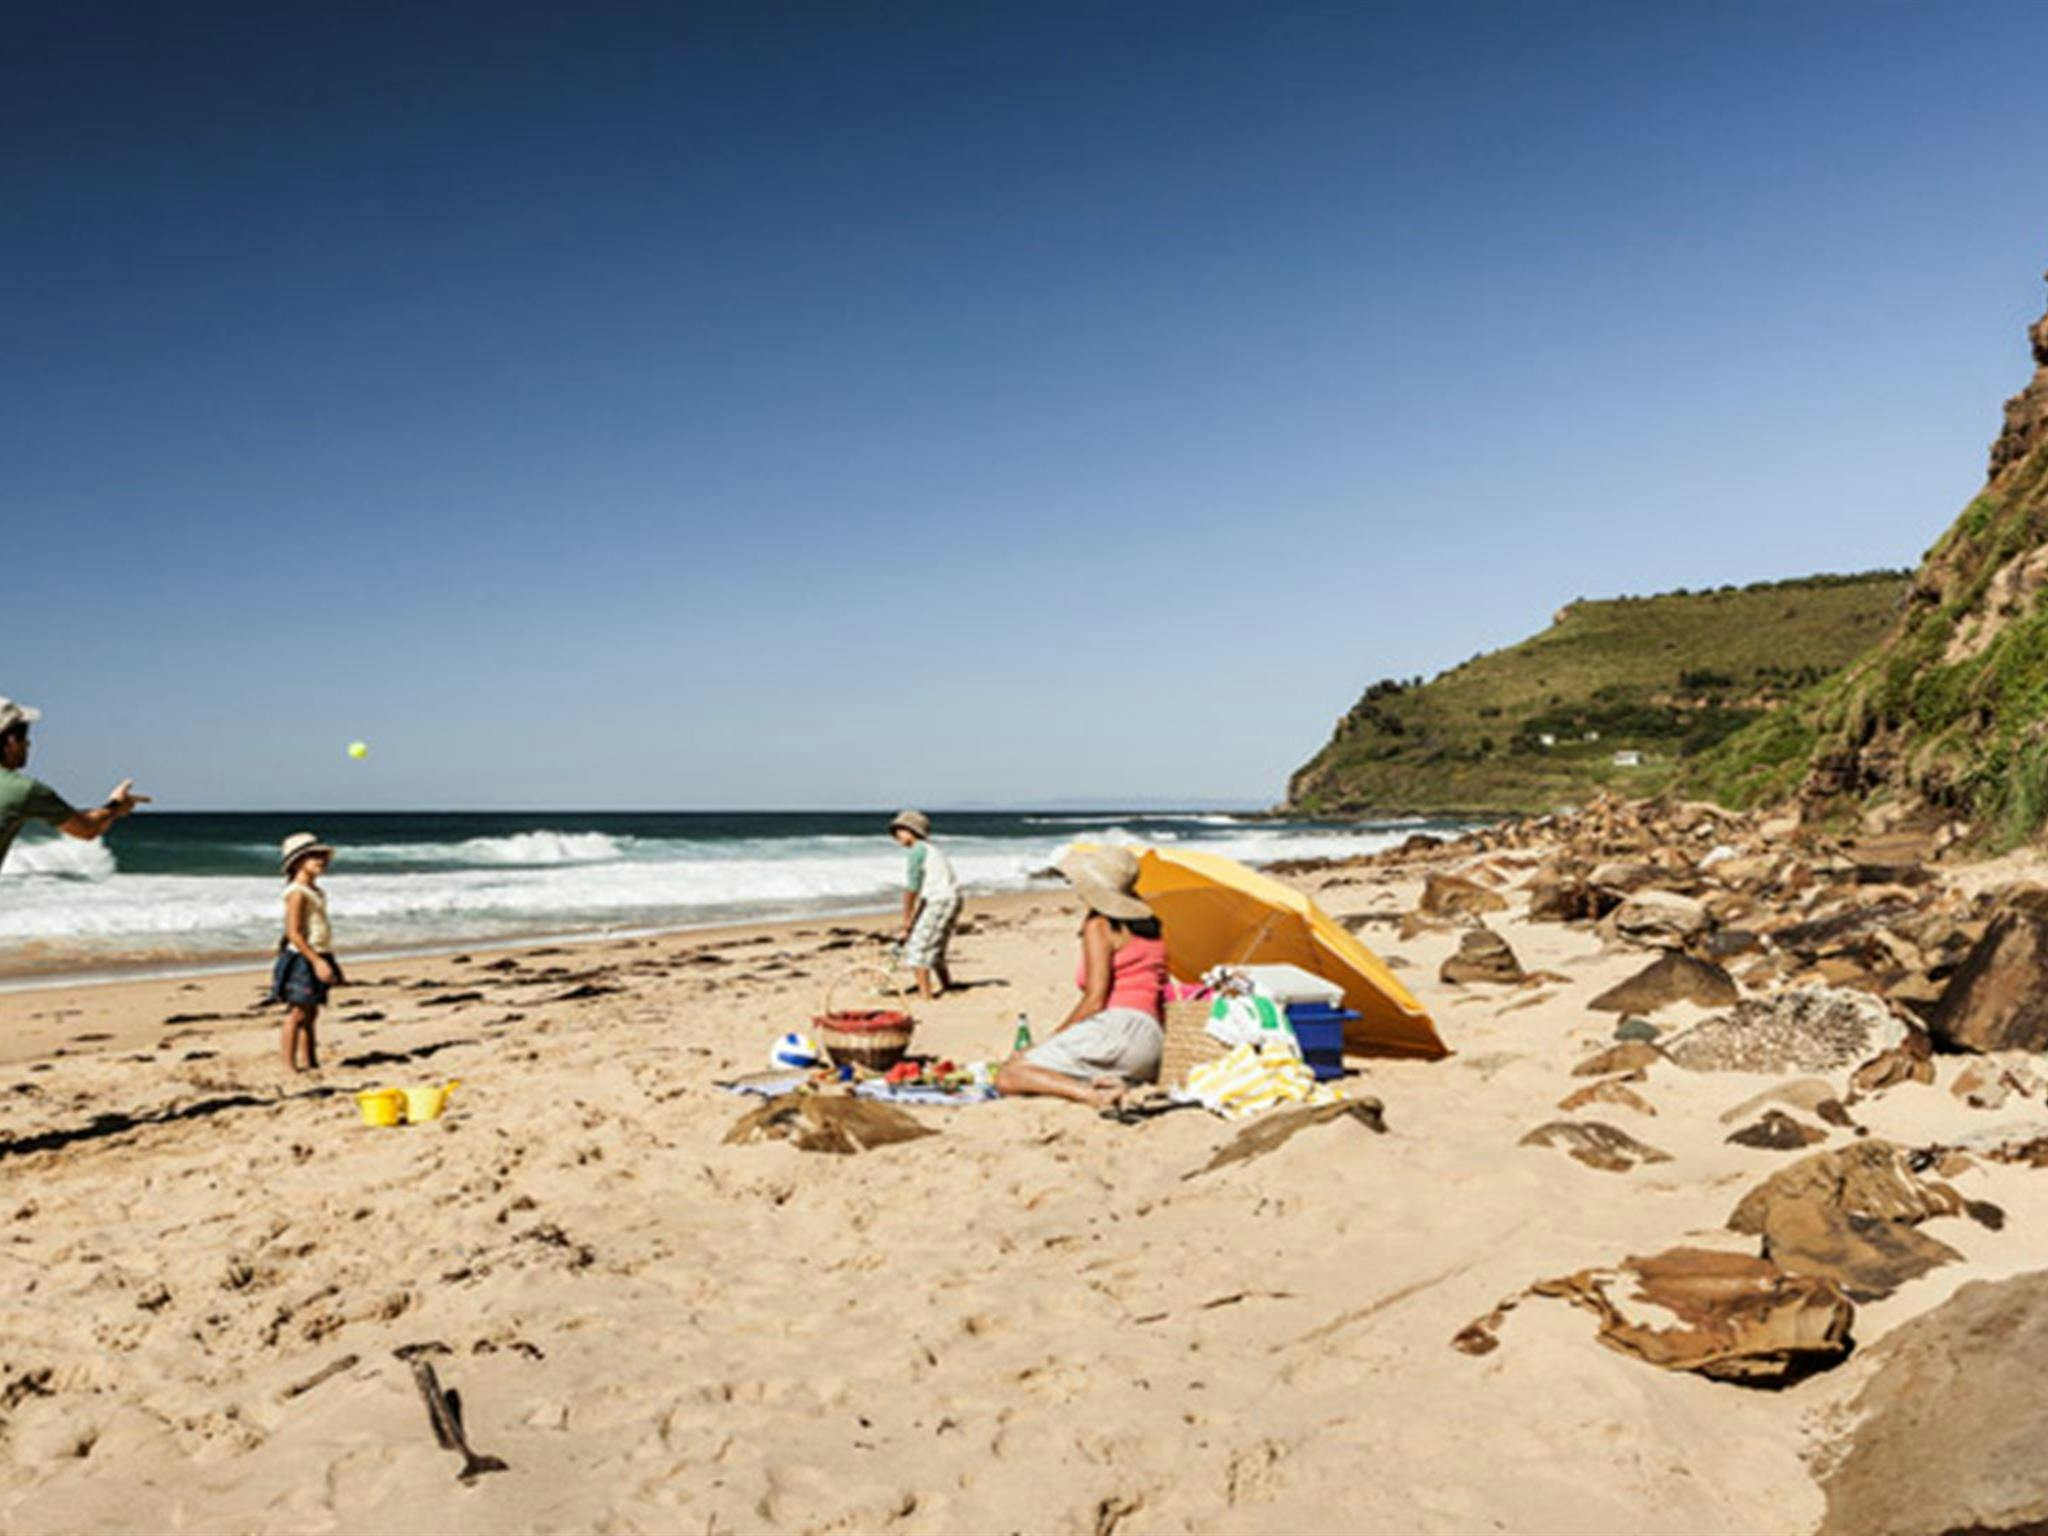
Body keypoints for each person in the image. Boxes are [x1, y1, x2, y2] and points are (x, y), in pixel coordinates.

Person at [995, 845, 1165, 1106]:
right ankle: (1104, 1087)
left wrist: (1053, 1038)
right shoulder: (1150, 925)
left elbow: (1095, 1000)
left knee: (1010, 1074)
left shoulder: (1100, 925)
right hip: (1151, 1042)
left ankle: (1093, 1096)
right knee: (1054, 1068)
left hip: (1117, 1031)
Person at [0, 697, 149, 869]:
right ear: (10, 742)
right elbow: (87, 828)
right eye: (24, 736)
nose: (28, 743)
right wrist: (115, 806)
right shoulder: (22, 790)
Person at [270, 832, 344, 1073]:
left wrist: (325, 958)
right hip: (303, 957)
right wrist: (316, 962)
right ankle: (288, 1065)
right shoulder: (297, 892)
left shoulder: (314, 891)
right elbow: (294, 933)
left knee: (311, 1012)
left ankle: (310, 1060)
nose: (321, 861)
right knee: (298, 1012)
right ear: (297, 862)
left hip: (318, 953)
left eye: (322, 856)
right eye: (314, 856)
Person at [891, 809, 961, 999]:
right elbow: (925, 895)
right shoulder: (930, 850)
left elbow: (912, 889)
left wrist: (905, 922)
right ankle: (948, 985)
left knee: (918, 951)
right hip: (951, 899)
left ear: (911, 830)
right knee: (936, 947)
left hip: (940, 900)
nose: (896, 836)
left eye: (899, 831)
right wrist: (912, 923)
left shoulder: (917, 852)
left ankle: (926, 995)